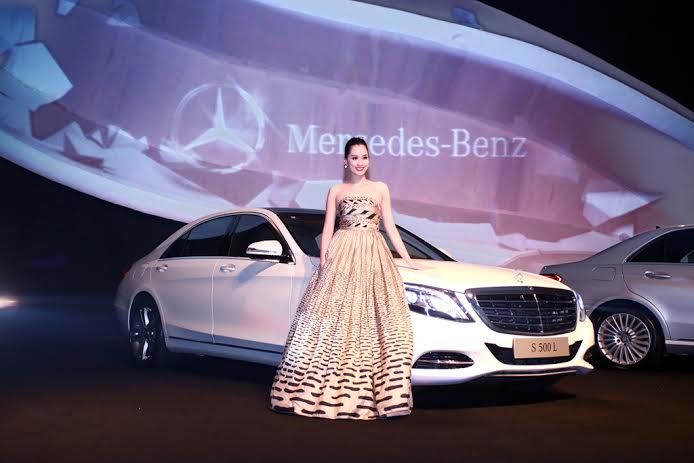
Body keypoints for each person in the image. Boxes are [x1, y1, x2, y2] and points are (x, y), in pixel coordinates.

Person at [269, 136, 425, 420]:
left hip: (373, 252)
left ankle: (376, 391)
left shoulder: (380, 188)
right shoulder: (336, 191)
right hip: (342, 250)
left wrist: (408, 259)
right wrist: (324, 261)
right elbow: (328, 227)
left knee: (373, 320)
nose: (360, 162)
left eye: (364, 157)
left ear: (369, 160)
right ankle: (318, 388)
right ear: (345, 161)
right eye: (354, 158)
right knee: (331, 318)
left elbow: (390, 227)